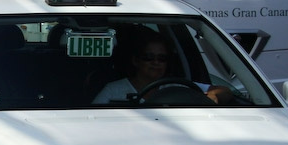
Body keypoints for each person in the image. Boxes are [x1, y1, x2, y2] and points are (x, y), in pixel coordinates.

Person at [93, 30, 230, 104]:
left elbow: (224, 91)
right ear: (136, 61)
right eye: (149, 57)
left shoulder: (178, 87)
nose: (156, 62)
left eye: (162, 58)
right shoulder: (113, 90)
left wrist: (213, 96)